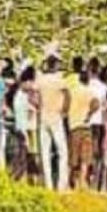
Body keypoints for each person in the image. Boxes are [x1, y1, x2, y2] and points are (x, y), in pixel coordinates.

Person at [37, 55, 71, 191]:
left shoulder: (41, 80)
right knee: (62, 151)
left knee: (45, 153)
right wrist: (65, 111)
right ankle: (62, 185)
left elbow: (36, 97)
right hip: (56, 117)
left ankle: (48, 185)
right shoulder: (59, 80)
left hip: (43, 117)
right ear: (55, 65)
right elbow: (68, 95)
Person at [67, 68, 99, 189]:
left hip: (73, 125)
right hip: (86, 126)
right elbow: (96, 104)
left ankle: (71, 181)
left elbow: (66, 104)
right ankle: (82, 181)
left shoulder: (73, 91)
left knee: (73, 156)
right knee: (85, 157)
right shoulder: (90, 92)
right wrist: (89, 114)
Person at [8, 66, 36, 181]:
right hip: (22, 131)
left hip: (24, 130)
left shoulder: (23, 95)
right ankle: (17, 180)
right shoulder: (20, 97)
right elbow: (22, 118)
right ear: (26, 82)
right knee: (21, 159)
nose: (32, 86)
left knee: (23, 159)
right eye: (31, 83)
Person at [87, 57, 107, 187]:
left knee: (88, 152)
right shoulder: (103, 87)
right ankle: (97, 181)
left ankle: (88, 178)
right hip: (99, 122)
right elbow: (105, 105)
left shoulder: (86, 86)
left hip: (87, 122)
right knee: (98, 153)